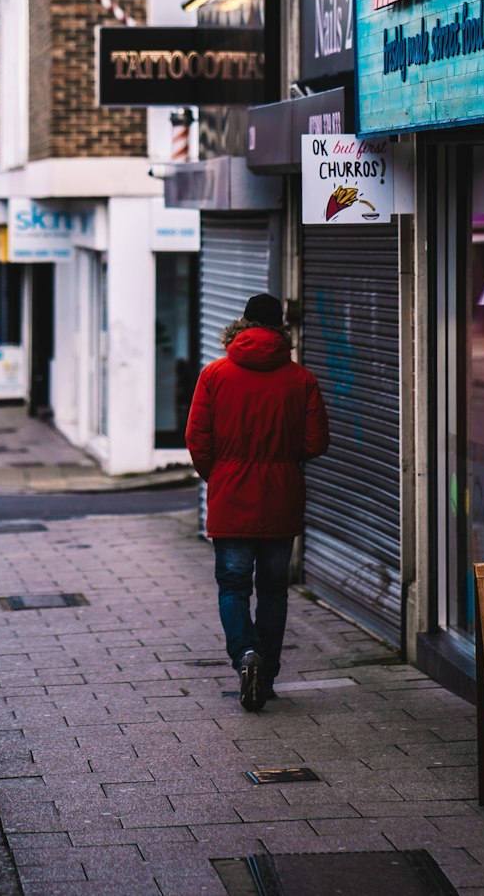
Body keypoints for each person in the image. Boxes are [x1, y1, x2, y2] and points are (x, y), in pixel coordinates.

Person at [185, 292, 329, 712]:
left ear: (242, 325)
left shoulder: (214, 375)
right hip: (281, 499)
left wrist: (221, 476)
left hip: (231, 498)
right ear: (281, 329)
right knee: (273, 591)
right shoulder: (301, 379)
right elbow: (317, 441)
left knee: (232, 586)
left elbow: (197, 440)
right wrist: (284, 461)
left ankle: (244, 654)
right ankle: (265, 676)